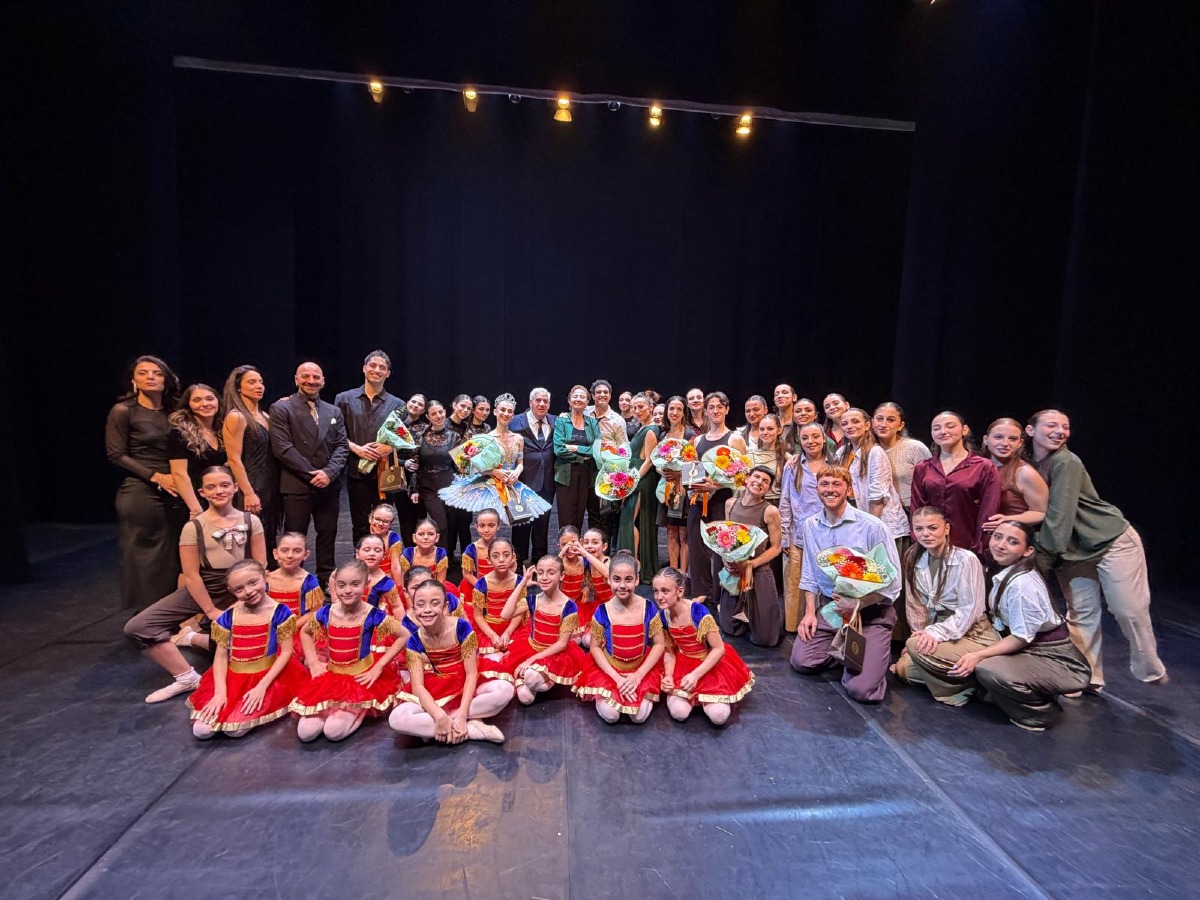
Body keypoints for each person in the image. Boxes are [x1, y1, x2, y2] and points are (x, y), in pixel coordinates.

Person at [1026, 409, 1166, 688]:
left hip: (1110, 541)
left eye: (1065, 427)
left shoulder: (1066, 461)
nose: (1059, 431)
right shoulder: (1029, 464)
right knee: (1080, 615)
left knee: (1128, 609)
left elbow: (1060, 514)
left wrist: (1043, 558)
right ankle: (1085, 677)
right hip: (1072, 550)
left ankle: (1150, 669)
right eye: (1051, 425)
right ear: (1030, 431)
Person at [123, 466, 266, 703]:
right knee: (138, 627)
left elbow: (260, 567)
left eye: (224, 485)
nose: (218, 491)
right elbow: (191, 576)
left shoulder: (251, 521)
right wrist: (211, 611)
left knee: (248, 650)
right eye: (211, 487)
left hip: (244, 589)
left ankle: (192, 637)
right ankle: (186, 676)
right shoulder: (193, 527)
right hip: (206, 586)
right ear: (202, 492)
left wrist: (241, 602)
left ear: (235, 487)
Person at [947, 521, 1092, 731]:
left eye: (1012, 542)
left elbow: (1021, 637)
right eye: (998, 537)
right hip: (1027, 649)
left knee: (987, 668)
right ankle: (1007, 694)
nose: (1001, 545)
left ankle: (1039, 714)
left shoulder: (1022, 585)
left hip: (1055, 659)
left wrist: (978, 655)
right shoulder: (999, 570)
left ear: (1027, 551)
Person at [790, 465, 903, 702]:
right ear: (817, 489)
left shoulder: (872, 526)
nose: (830, 490)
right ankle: (847, 653)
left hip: (871, 612)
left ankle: (870, 658)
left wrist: (859, 604)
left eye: (836, 484)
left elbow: (893, 584)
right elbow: (810, 571)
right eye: (824, 484)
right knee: (802, 661)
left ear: (849, 489)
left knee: (861, 690)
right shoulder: (810, 525)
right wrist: (809, 613)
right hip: (833, 610)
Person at [187, 560, 310, 739]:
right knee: (202, 731)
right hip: (233, 677)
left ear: (266, 577)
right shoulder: (229, 617)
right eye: (239, 589)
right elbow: (221, 657)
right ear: (232, 592)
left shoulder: (280, 613)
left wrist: (261, 687)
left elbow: (285, 652)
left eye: (253, 582)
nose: (248, 591)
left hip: (267, 676)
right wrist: (220, 692)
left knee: (233, 730)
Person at [291, 559, 408, 742]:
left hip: (359, 678)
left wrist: (378, 667)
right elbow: (305, 632)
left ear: (366, 584)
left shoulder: (372, 614)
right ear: (334, 585)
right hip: (332, 676)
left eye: (355, 584)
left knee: (333, 732)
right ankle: (334, 710)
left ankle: (358, 709)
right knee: (305, 733)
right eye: (341, 585)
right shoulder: (327, 612)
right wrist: (313, 661)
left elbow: (404, 635)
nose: (347, 590)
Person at [891, 507, 999, 706]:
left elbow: (970, 610)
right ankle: (970, 680)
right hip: (937, 628)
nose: (926, 534)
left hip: (972, 632)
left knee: (913, 652)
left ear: (947, 528)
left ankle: (959, 687)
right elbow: (915, 606)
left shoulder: (966, 559)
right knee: (903, 669)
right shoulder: (913, 558)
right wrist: (920, 635)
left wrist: (934, 634)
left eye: (933, 528)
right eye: (919, 529)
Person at [106, 355, 188, 609]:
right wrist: (156, 477)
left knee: (174, 551)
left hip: (176, 488)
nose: (150, 377)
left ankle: (170, 611)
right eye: (143, 373)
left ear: (166, 379)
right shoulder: (123, 411)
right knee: (145, 553)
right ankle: (147, 613)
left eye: (157, 373)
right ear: (134, 381)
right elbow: (116, 454)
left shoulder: (174, 412)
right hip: (142, 489)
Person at [388, 580, 513, 744]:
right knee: (397, 718)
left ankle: (451, 725)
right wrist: (438, 715)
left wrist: (461, 715)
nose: (427, 610)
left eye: (434, 604)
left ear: (445, 607)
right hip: (435, 683)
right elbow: (418, 687)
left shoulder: (462, 628)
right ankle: (471, 728)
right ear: (414, 609)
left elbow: (471, 673)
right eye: (421, 604)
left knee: (504, 691)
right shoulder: (414, 641)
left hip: (466, 678)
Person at [268, 362, 349, 585]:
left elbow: (342, 446)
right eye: (306, 376)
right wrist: (313, 473)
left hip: (328, 486)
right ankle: (293, 581)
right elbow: (283, 448)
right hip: (297, 485)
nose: (311, 380)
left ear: (323, 381)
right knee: (295, 538)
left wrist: (329, 473)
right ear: (296, 380)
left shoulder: (333, 411)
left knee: (327, 536)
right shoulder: (281, 408)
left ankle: (325, 581)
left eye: (316, 377)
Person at [573, 551, 665, 724]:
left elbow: (659, 644)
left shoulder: (649, 607)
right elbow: (594, 647)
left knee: (639, 717)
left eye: (628, 579)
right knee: (611, 716)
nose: (622, 585)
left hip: (639, 668)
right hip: (611, 669)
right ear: (609, 580)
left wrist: (638, 675)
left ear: (637, 579)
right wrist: (616, 678)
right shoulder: (602, 611)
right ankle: (608, 696)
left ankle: (634, 693)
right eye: (617, 579)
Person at [655, 566, 754, 725]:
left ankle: (707, 698)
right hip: (683, 662)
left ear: (680, 591)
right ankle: (693, 699)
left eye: (665, 591)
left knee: (719, 716)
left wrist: (695, 674)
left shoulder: (698, 612)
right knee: (679, 713)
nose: (659, 597)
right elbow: (669, 651)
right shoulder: (663, 616)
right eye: (656, 591)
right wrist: (668, 675)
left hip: (709, 663)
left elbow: (718, 648)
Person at [488, 555, 588, 704]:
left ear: (561, 576)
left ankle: (547, 676)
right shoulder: (533, 600)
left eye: (551, 572)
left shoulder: (569, 607)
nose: (544, 577)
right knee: (525, 699)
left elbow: (561, 644)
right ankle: (536, 677)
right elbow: (505, 614)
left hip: (555, 654)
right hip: (531, 646)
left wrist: (530, 660)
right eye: (540, 572)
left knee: (530, 678)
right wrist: (522, 583)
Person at [334, 350, 404, 545]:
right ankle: (362, 566)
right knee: (360, 523)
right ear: (364, 368)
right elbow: (336, 434)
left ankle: (384, 565)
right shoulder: (344, 399)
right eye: (373, 365)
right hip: (357, 471)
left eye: (382, 367)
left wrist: (390, 447)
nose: (377, 370)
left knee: (385, 522)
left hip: (386, 473)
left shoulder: (398, 404)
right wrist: (356, 448)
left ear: (388, 373)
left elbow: (404, 438)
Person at [910, 411, 999, 558]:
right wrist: (918, 540)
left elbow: (988, 511)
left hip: (967, 545)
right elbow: (917, 507)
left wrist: (979, 547)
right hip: (930, 545)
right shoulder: (923, 467)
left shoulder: (983, 466)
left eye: (950, 426)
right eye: (936, 428)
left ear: (964, 430)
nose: (943, 431)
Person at [687, 392, 748, 604]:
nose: (715, 410)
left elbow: (743, 477)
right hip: (699, 499)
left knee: (722, 545)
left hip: (723, 499)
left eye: (719, 407)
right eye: (711, 407)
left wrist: (717, 485)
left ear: (727, 409)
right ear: (706, 411)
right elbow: (690, 471)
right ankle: (700, 590)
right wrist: (693, 486)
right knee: (697, 545)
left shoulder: (734, 439)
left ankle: (721, 592)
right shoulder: (697, 441)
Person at [717, 466, 783, 647]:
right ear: (747, 479)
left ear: (768, 489)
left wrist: (751, 565)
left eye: (765, 482)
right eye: (756, 477)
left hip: (757, 571)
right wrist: (727, 560)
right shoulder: (730, 503)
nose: (759, 482)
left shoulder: (770, 511)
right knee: (730, 628)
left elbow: (776, 547)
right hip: (734, 570)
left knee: (765, 638)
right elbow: (724, 538)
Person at [778, 422, 835, 633]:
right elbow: (785, 501)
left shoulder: (834, 465)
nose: (810, 441)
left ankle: (825, 626)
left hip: (828, 534)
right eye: (805, 438)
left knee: (827, 581)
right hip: (799, 534)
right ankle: (793, 626)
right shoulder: (794, 466)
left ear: (823, 439)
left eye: (815, 437)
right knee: (795, 582)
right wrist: (785, 535)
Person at [222, 365, 281, 559]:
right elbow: (233, 458)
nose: (259, 386)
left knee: (268, 538)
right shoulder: (236, 417)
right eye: (252, 382)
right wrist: (248, 492)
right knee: (251, 542)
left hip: (269, 485)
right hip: (252, 485)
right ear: (238, 387)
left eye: (261, 382)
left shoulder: (265, 416)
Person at [838, 409, 908, 546]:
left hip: (882, 524)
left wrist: (871, 529)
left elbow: (877, 496)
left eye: (855, 421)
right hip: (857, 523)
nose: (849, 426)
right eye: (845, 423)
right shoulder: (842, 453)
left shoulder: (875, 452)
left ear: (867, 425)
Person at [508, 389, 557, 565]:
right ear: (530, 402)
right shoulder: (514, 422)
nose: (542, 404)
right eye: (538, 400)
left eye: (545, 401)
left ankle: (539, 563)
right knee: (521, 525)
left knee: (542, 526)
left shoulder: (556, 421)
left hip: (547, 483)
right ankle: (518, 562)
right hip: (522, 483)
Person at [617, 392, 660, 582]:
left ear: (650, 407)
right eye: (634, 407)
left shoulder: (650, 430)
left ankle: (634, 566)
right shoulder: (643, 428)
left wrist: (632, 481)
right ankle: (635, 565)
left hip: (641, 481)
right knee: (632, 521)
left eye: (641, 406)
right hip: (636, 477)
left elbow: (649, 460)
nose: (637, 410)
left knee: (630, 522)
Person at [167, 383, 227, 518]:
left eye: (210, 399)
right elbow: (179, 474)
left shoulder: (223, 430)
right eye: (197, 400)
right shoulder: (179, 434)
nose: (205, 404)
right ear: (188, 405)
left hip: (219, 500)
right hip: (192, 503)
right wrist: (195, 509)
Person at [263, 531, 324, 659]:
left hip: (296, 630)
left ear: (306, 554)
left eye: (297, 551)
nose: (290, 555)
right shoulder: (267, 579)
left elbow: (314, 612)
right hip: (269, 628)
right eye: (284, 550)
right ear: (275, 553)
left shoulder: (308, 581)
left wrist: (288, 628)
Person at [980, 417, 1048, 529]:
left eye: (1012, 439)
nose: (1005, 443)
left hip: (1007, 536)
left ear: (1020, 443)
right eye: (998, 437)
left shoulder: (1024, 473)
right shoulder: (977, 467)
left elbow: (1040, 512)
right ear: (986, 439)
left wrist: (1007, 520)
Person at [408, 400, 458, 552]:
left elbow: (460, 466)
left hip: (450, 488)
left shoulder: (454, 436)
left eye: (440, 412)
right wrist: (414, 489)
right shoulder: (420, 436)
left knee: (451, 524)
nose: (438, 416)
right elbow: (415, 465)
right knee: (440, 525)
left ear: (445, 412)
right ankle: (440, 559)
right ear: (428, 417)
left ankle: (448, 558)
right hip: (429, 488)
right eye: (433, 414)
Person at [656, 395, 699, 572]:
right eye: (671, 409)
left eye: (678, 409)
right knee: (670, 532)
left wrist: (679, 474)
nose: (674, 412)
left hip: (683, 490)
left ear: (684, 413)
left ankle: (682, 574)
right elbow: (657, 461)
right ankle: (673, 572)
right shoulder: (663, 434)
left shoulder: (690, 434)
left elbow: (697, 465)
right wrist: (663, 471)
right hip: (667, 488)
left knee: (684, 534)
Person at [585, 379, 630, 538]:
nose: (602, 395)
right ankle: (591, 549)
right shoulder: (584, 412)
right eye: (598, 392)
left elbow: (624, 447)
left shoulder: (617, 420)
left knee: (605, 513)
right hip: (586, 468)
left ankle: (604, 552)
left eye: (605, 392)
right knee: (591, 512)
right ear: (592, 395)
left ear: (610, 396)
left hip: (606, 470)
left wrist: (611, 449)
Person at [469, 538, 529, 657]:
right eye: (495, 556)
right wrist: (492, 635)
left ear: (513, 557)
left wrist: (508, 632)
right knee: (492, 658)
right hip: (488, 627)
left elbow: (519, 612)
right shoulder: (481, 584)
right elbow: (478, 615)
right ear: (489, 560)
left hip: (513, 626)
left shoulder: (519, 582)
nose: (501, 560)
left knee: (516, 655)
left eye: (506, 555)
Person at [553, 385, 600, 533]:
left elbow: (597, 449)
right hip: (565, 474)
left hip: (587, 474)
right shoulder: (561, 421)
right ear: (569, 400)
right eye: (575, 396)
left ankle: (577, 551)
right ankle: (566, 549)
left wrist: (576, 448)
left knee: (580, 514)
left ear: (587, 402)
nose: (578, 399)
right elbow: (559, 449)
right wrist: (583, 456)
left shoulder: (593, 423)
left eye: (582, 397)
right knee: (567, 516)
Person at [871, 402, 931, 517]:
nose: (884, 424)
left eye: (891, 420)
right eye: (879, 419)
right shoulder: (868, 450)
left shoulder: (915, 448)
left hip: (912, 511)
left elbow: (930, 484)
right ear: (872, 422)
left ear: (900, 425)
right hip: (879, 512)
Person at [358, 534, 403, 617]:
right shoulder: (348, 573)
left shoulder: (386, 583)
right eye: (367, 550)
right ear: (357, 553)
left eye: (377, 550)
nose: (372, 553)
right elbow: (333, 577)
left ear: (383, 555)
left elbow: (397, 608)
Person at [459, 508, 500, 598]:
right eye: (482, 526)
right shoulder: (471, 549)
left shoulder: (504, 547)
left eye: (491, 525)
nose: (486, 530)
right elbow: (466, 573)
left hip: (499, 588)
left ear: (498, 525)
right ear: (476, 527)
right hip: (476, 588)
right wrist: (482, 587)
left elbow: (512, 566)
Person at [398, 518, 449, 585]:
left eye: (430, 534)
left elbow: (440, 582)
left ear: (437, 537)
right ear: (414, 538)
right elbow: (404, 582)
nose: (425, 537)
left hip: (434, 588)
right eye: (421, 534)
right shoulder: (409, 554)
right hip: (412, 590)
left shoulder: (440, 554)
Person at [366, 502, 404, 577]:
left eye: (385, 521)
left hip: (388, 580)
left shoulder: (393, 538)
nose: (380, 524)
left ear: (390, 525)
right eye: (377, 519)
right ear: (370, 518)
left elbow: (395, 566)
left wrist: (399, 587)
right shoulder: (363, 536)